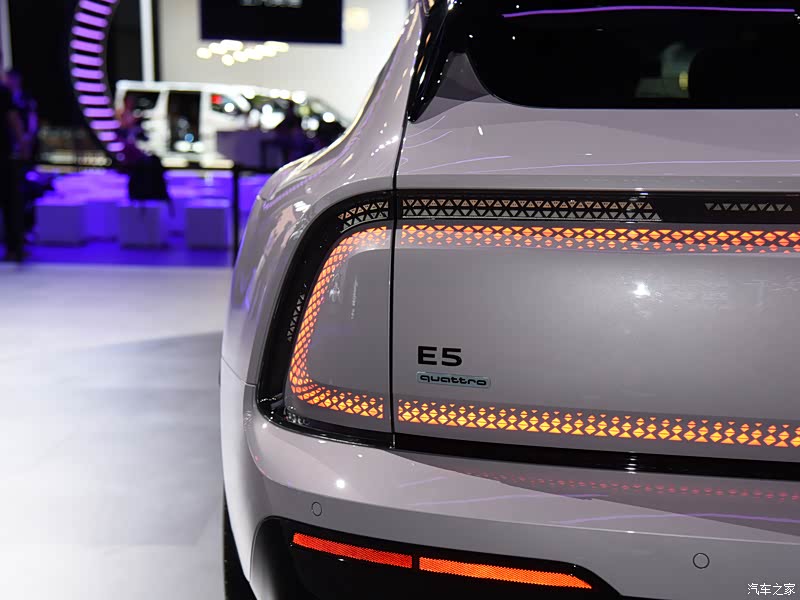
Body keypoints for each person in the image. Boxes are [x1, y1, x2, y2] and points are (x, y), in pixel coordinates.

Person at [0, 57, 31, 262]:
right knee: (10, 202)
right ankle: (14, 247)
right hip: (4, 155)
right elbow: (13, 120)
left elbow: (13, 119)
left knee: (11, 202)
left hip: (4, 154)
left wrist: (22, 144)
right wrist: (23, 144)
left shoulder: (4, 92)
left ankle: (15, 247)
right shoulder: (3, 92)